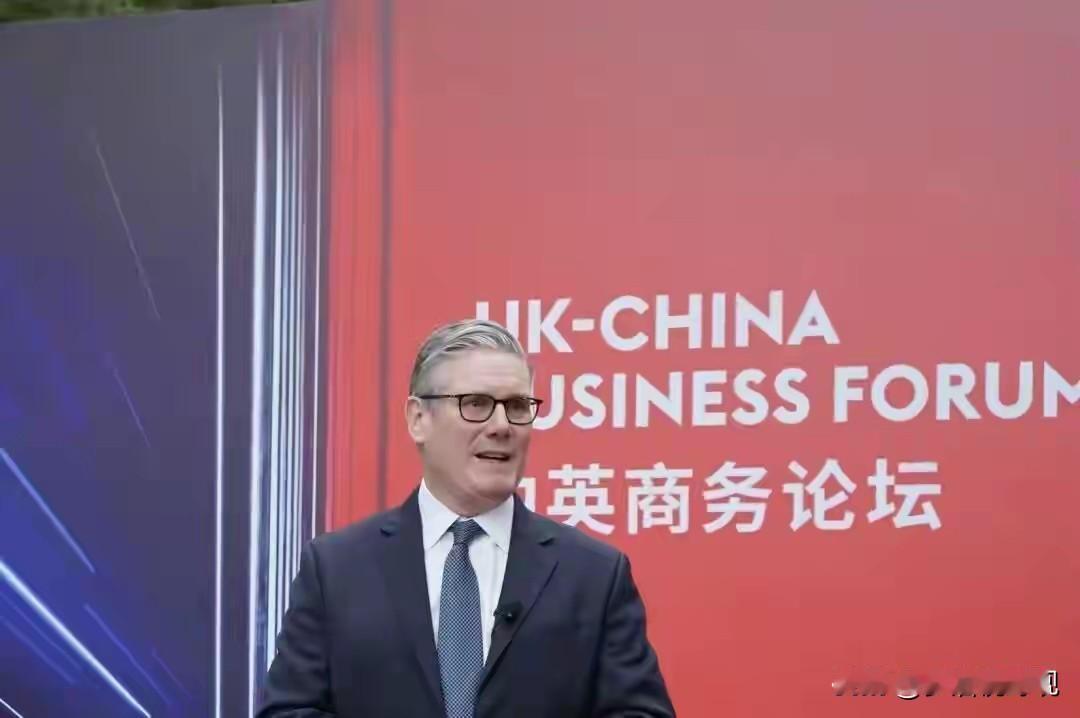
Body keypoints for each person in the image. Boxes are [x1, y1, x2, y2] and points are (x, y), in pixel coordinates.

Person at [257, 319, 675, 717]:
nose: (502, 426)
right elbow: (288, 711)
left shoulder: (593, 575)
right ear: (418, 419)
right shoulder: (336, 569)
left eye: (517, 406)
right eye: (476, 404)